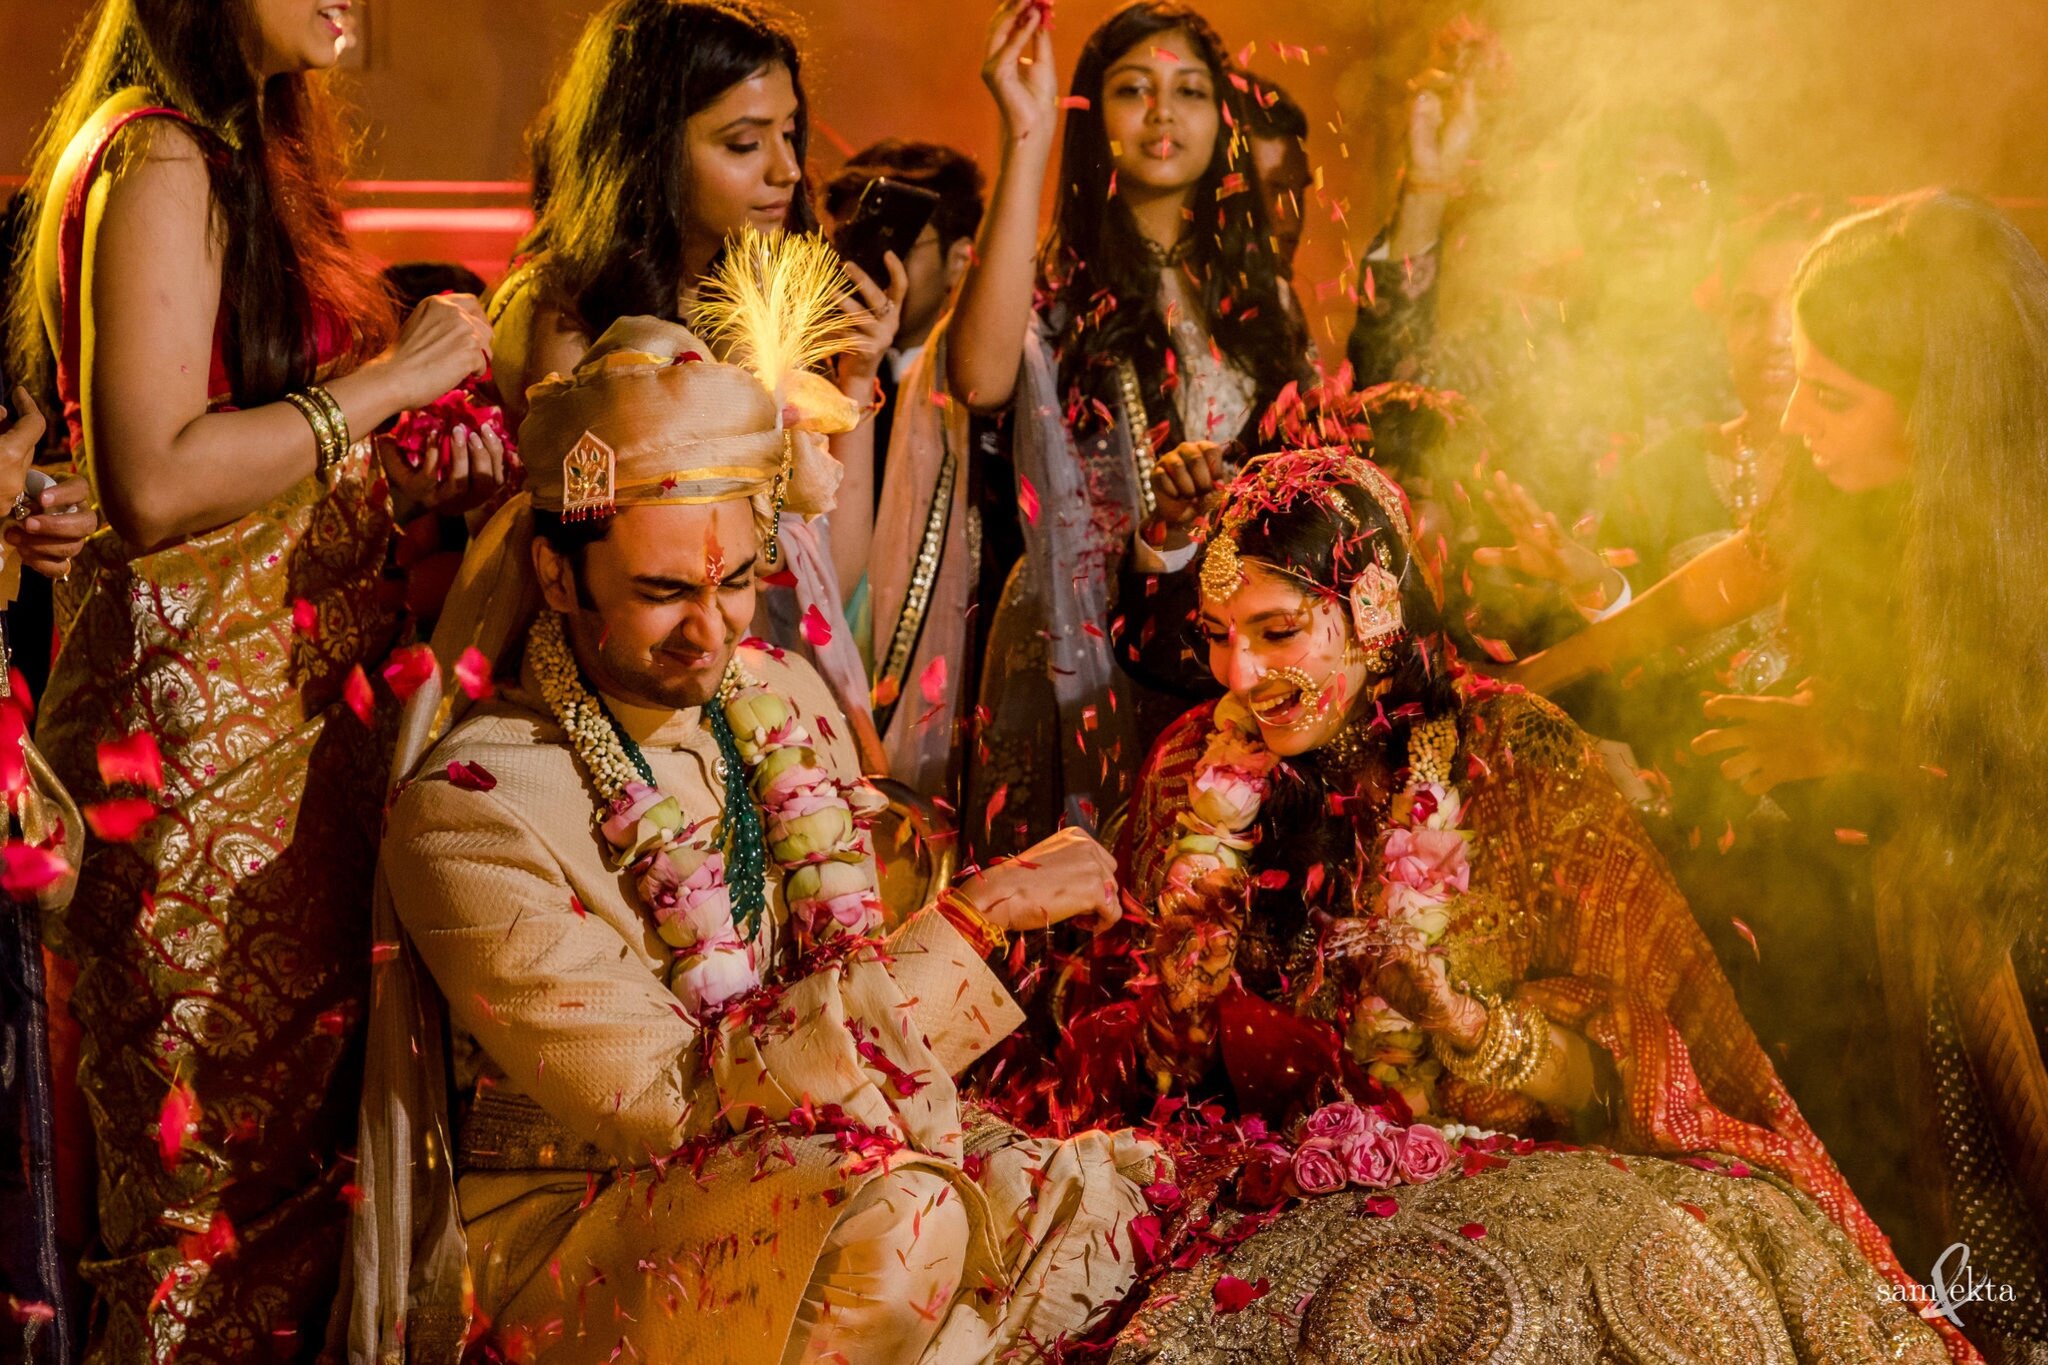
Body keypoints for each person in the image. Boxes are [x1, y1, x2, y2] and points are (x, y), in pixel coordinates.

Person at [357, 241, 1158, 1363]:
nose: (712, 628)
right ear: (555, 578)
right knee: (911, 1220)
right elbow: (666, 1100)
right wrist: (976, 920)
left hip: (818, 1152)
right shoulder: (471, 809)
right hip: (585, 1220)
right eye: (660, 592)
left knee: (1105, 1198)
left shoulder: (773, 694)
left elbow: (844, 972)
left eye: (735, 581)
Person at [1059, 450, 1969, 1364]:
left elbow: (1637, 1073)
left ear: (1372, 613)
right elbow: (1152, 1079)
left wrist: (1459, 1018)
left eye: (1278, 630)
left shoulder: (1517, 757)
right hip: (1252, 1207)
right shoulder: (1190, 766)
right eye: (1218, 633)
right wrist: (1175, 1008)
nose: (1240, 675)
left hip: (1518, 1201)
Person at [7, 1, 504, 1356]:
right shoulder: (163, 159)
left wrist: (394, 471)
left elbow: (248, 472)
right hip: (196, 780)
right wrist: (391, 383)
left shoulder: (228, 152)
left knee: (293, 1220)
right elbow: (158, 481)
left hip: (278, 761)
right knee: (207, 1226)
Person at [1518, 190, 2048, 1354]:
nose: (1791, 409)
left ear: (1939, 418)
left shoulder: (2026, 527)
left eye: (1832, 393)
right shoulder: (1841, 487)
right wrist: (1535, 676)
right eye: (1796, 372)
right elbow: (1727, 577)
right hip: (1895, 924)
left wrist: (1856, 754)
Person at [948, 0, 1311, 861]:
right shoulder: (1057, 287)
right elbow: (978, 376)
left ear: (1220, 118)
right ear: (1091, 115)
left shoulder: (1260, 294)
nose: (1162, 113)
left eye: (1189, 91)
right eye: (1132, 90)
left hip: (1228, 645)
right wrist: (1024, 132)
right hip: (1079, 641)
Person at [490, 0, 898, 766]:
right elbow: (602, 588)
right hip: (630, 708)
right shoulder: (573, 323)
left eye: (789, 134)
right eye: (744, 142)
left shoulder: (764, 302)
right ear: (649, 150)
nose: (784, 169)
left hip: (764, 693)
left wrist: (858, 377)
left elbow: (825, 579)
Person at [821, 142, 1004, 796]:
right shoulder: (812, 381)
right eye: (848, 235)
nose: (862, 263)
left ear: (961, 261)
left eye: (896, 242)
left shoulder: (989, 402)